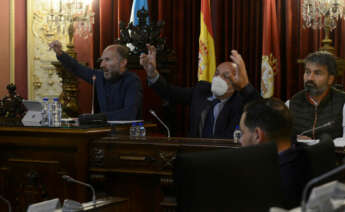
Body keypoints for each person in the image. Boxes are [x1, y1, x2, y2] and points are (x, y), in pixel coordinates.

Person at [139, 44, 260, 138]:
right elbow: (170, 92)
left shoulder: (242, 100)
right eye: (216, 74)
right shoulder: (201, 90)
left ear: (237, 80)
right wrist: (152, 73)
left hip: (226, 158)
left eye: (226, 76)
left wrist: (245, 87)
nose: (218, 78)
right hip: (195, 154)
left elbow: (262, 110)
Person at [239, 98, 310, 209]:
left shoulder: (268, 185)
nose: (240, 140)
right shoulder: (306, 157)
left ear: (258, 135)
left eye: (242, 133)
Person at [49, 40, 143, 121]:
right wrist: (60, 53)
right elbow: (77, 68)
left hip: (125, 135)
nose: (102, 65)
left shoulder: (132, 81)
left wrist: (96, 118)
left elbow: (129, 114)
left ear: (122, 63)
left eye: (107, 60)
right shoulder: (99, 76)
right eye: (102, 60)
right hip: (103, 133)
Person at [287, 51, 345, 140]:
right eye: (307, 72)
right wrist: (294, 139)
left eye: (317, 73)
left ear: (330, 79)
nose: (310, 78)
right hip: (300, 153)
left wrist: (318, 144)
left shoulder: (342, 103)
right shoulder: (292, 103)